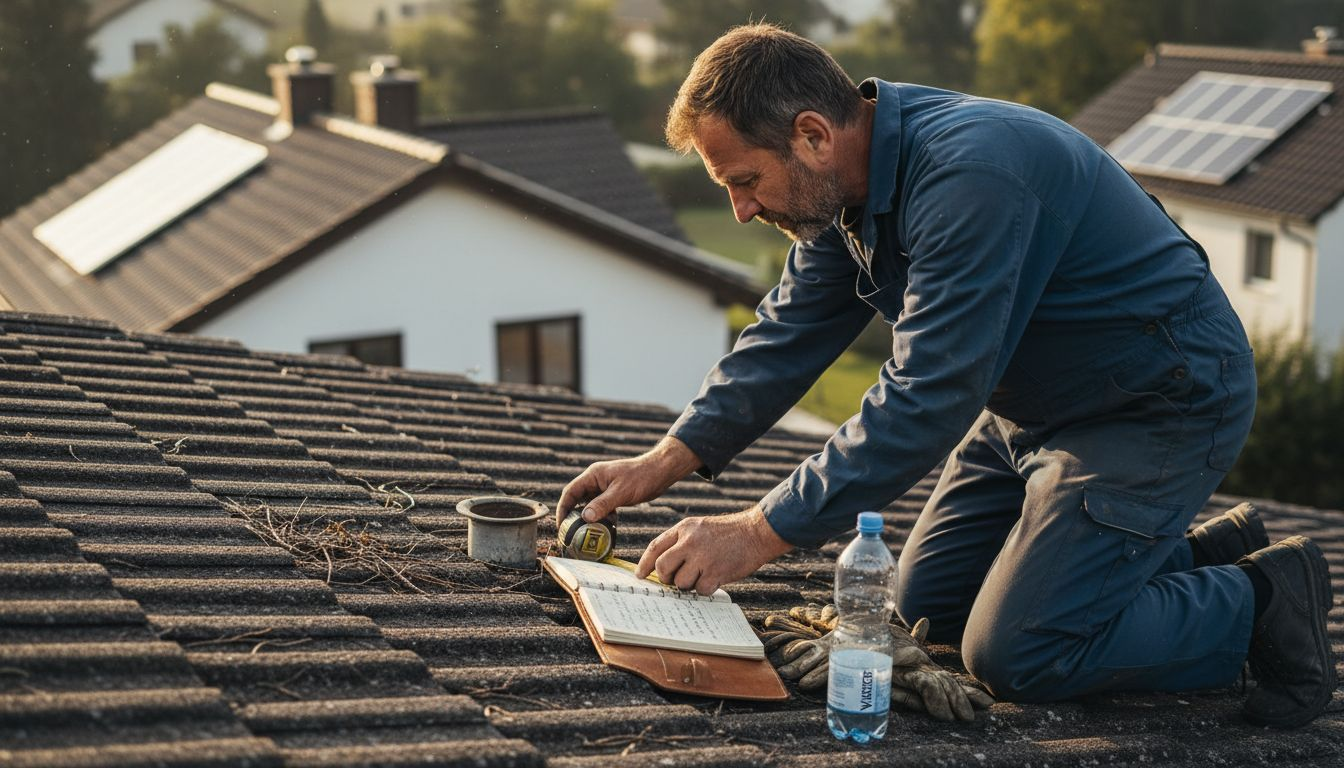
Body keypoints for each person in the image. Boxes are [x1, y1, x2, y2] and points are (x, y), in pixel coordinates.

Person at [557, 23, 1334, 727]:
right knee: (928, 611)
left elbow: (927, 393)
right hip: (1030, 411)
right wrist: (666, 459)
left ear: (811, 135)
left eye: (744, 180)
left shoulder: (971, 176)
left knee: (1021, 655)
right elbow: (786, 334)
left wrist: (757, 535)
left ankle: (1264, 599)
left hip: (1156, 402)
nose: (739, 209)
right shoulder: (844, 191)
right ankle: (1196, 554)